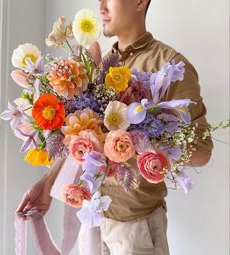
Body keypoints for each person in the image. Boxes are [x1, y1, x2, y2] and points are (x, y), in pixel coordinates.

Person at [16, 0, 213, 254]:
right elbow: (81, 141)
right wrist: (46, 183)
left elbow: (202, 153)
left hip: (136, 229)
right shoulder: (96, 65)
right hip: (92, 221)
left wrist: (140, 145)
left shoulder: (170, 65)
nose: (101, 7)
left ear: (140, 2)